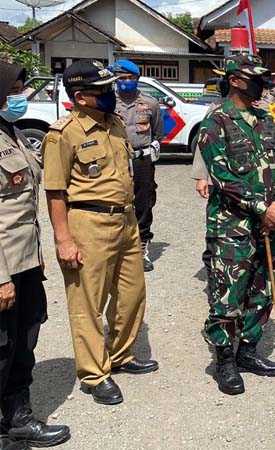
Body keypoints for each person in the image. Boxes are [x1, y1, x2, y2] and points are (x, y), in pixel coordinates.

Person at [43, 59, 158, 406]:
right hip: (87, 224)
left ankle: (120, 354)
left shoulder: (116, 125)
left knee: (131, 294)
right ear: (81, 97)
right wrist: (64, 240)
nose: (112, 92)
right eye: (104, 89)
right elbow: (55, 192)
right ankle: (94, 374)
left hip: (125, 221)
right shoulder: (62, 134)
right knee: (87, 304)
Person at [198, 54, 275, 395]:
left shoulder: (266, 120)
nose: (262, 83)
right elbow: (222, 177)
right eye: (255, 77)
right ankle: (224, 360)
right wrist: (262, 207)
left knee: (263, 289)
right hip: (231, 226)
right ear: (235, 80)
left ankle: (248, 350)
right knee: (228, 293)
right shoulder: (216, 122)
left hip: (268, 224)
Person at [0, 61, 71, 449]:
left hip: (26, 260)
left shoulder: (11, 132)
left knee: (23, 341)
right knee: (0, 348)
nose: (22, 97)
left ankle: (18, 419)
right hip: (3, 267)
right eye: (16, 89)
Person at [112, 59, 163, 272]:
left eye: (130, 78)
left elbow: (158, 132)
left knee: (143, 202)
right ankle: (117, 250)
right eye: (121, 78)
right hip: (116, 159)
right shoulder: (108, 103)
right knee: (115, 201)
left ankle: (141, 250)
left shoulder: (150, 103)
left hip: (142, 160)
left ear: (137, 79)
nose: (126, 82)